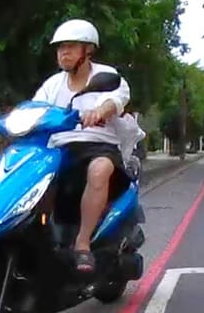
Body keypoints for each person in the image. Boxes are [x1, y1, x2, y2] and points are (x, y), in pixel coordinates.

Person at [33, 18, 132, 275]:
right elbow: (36, 108)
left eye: (70, 46)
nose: (63, 52)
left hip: (99, 146)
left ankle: (82, 243)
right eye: (59, 47)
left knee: (99, 169)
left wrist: (101, 110)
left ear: (88, 50)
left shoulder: (106, 77)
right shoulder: (52, 85)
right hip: (60, 148)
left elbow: (116, 99)